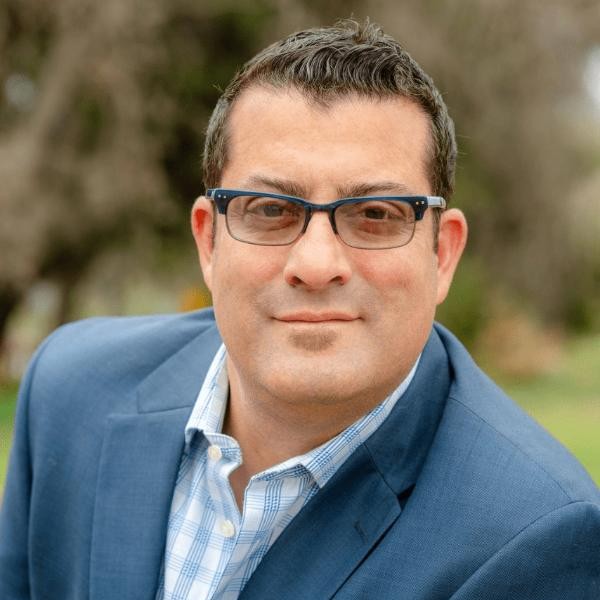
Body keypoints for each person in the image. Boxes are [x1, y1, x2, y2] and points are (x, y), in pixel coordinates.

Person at [1, 19, 598, 600]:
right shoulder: (71, 391)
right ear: (208, 241)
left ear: (441, 254)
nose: (315, 264)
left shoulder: (531, 538)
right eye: (270, 209)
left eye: (375, 215)